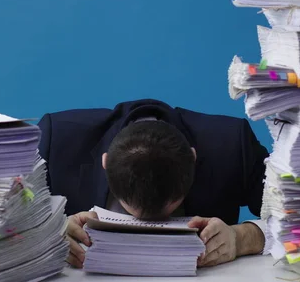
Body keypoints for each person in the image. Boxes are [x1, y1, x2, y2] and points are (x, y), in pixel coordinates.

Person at [37, 99, 270, 268]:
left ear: (194, 159)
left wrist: (242, 238)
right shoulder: (56, 141)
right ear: (105, 163)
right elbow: (3, 227)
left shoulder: (232, 145)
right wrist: (49, 233)